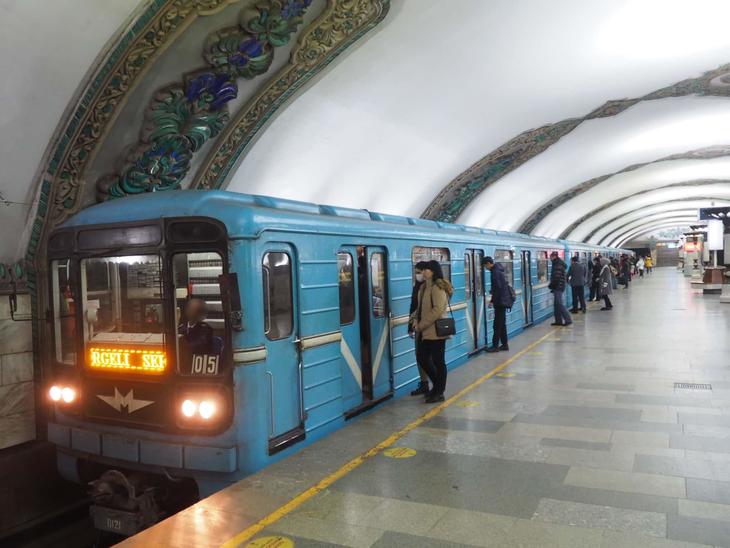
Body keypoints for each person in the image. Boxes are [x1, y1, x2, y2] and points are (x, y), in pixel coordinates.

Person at [414, 261, 454, 403]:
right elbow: (420, 309)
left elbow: (437, 310)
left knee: (438, 361)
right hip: (426, 331)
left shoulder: (437, 288)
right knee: (422, 359)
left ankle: (439, 392)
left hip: (436, 331)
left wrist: (421, 325)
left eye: (427, 270)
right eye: (423, 270)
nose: (423, 272)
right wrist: (415, 320)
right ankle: (437, 387)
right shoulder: (424, 287)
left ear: (433, 272)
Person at [408, 261, 430, 396]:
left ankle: (434, 385)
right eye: (416, 272)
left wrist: (421, 324)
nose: (417, 275)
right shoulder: (417, 286)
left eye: (419, 272)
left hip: (428, 327)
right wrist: (410, 327)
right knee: (420, 356)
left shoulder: (432, 287)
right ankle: (424, 383)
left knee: (430, 357)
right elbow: (413, 307)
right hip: (418, 327)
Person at [483, 256, 511, 352]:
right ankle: (505, 344)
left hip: (500, 302)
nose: (485, 268)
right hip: (502, 301)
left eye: (485, 266)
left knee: (497, 325)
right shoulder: (498, 270)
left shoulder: (495, 272)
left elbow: (497, 289)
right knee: (502, 324)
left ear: (488, 264)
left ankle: (495, 346)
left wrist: (492, 301)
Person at [548, 251, 572, 326]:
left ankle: (568, 320)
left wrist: (551, 285)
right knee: (556, 304)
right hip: (558, 286)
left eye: (551, 256)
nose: (550, 258)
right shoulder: (557, 263)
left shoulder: (557, 264)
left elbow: (556, 277)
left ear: (554, 256)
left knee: (559, 304)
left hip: (558, 286)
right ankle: (558, 321)